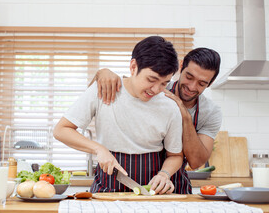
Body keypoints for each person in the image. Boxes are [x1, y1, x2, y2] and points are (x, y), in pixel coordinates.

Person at [54, 36, 183, 195]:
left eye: (164, 83)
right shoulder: (104, 88)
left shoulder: (170, 107)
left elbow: (175, 155)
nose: (156, 90)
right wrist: (99, 149)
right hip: (106, 186)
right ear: (133, 66)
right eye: (151, 79)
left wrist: (164, 174)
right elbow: (61, 130)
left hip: (150, 191)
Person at [93, 47, 222, 194]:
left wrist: (184, 115)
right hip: (146, 180)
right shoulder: (157, 87)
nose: (191, 87)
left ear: (210, 84)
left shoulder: (211, 112)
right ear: (180, 67)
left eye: (202, 83)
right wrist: (102, 72)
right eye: (189, 77)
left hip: (174, 184)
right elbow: (130, 85)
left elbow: (196, 162)